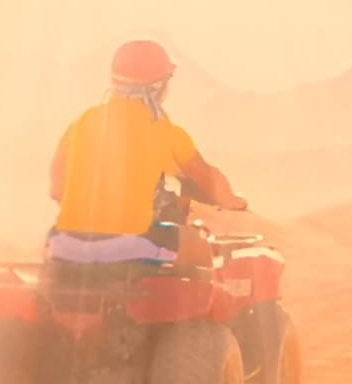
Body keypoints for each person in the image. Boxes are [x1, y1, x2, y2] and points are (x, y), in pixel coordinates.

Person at [47, 37, 248, 268]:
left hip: (65, 246)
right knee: (198, 244)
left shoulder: (83, 122)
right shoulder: (162, 130)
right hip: (129, 248)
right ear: (158, 86)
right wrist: (235, 202)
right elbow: (207, 178)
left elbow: (56, 191)